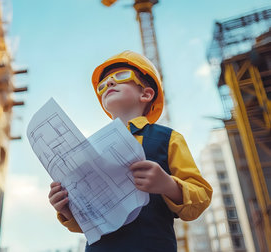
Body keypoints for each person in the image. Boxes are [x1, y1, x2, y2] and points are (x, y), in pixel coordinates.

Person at [48, 50, 213, 251]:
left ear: (146, 94)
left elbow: (201, 197)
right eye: (103, 85)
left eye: (121, 76)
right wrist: (68, 210)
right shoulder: (90, 150)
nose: (108, 83)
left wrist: (168, 184)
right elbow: (90, 219)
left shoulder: (168, 138)